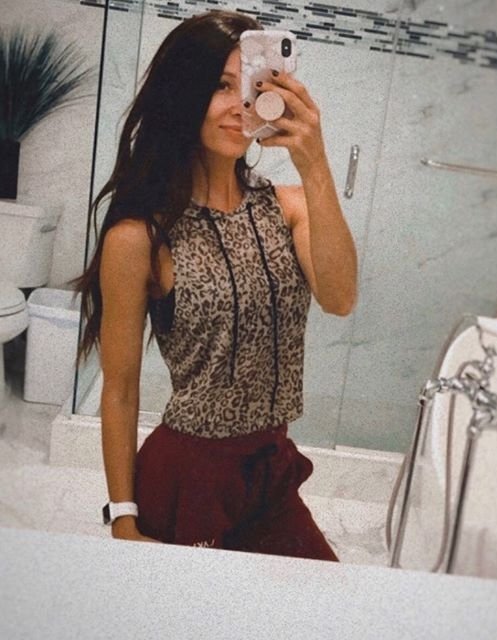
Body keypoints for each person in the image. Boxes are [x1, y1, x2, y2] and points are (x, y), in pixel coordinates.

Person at [72, 10, 357, 562]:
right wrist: (122, 517)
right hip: (190, 473)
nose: (238, 105)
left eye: (248, 86)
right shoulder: (140, 236)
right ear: (182, 97)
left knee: (324, 598)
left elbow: (340, 299)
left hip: (270, 470)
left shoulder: (289, 207)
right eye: (219, 86)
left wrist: (315, 163)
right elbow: (120, 388)